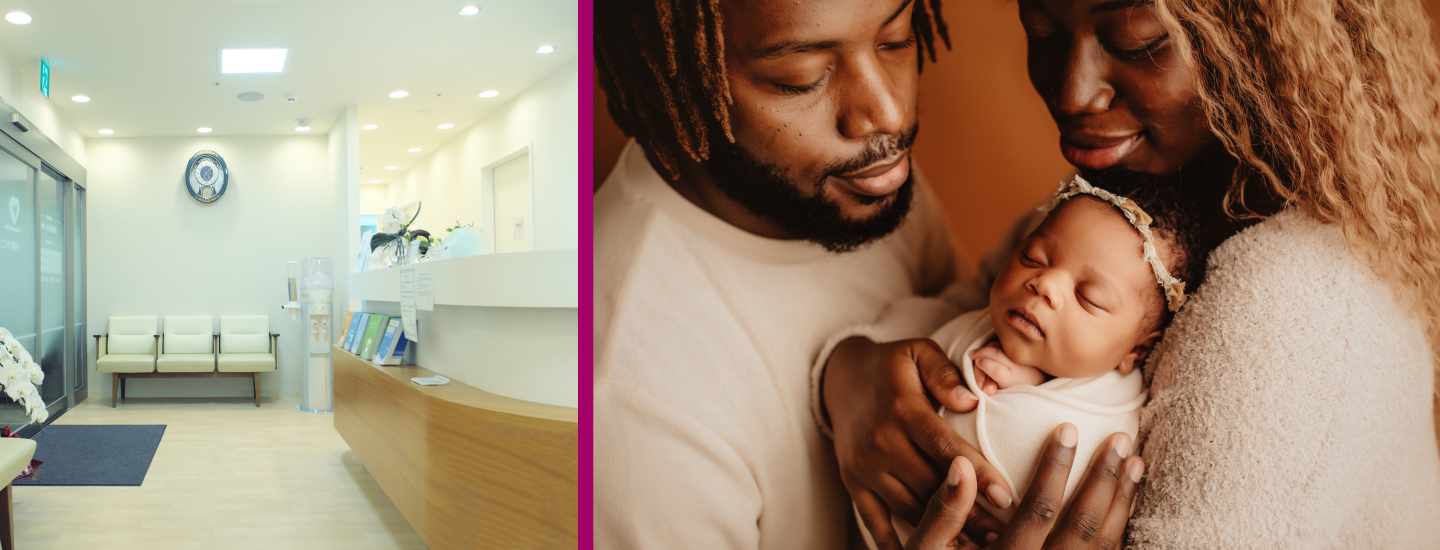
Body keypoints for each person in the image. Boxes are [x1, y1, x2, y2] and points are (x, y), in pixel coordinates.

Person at [816, 0, 1440, 546]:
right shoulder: (1119, 205)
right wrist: (846, 376)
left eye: (1139, 42)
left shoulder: (1297, 307)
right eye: (1043, 31)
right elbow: (963, 312)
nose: (1071, 94)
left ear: (1258, 39)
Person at [594, 0, 1142, 547]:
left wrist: (847, 366)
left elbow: (962, 319)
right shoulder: (629, 406)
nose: (887, 114)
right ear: (679, 83)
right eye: (800, 79)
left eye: (896, 39)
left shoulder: (856, 180)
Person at [857, 171, 1212, 549]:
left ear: (1135, 352)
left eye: (1088, 297)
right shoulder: (970, 321)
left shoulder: (1109, 422)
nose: (1045, 284)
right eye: (1033, 257)